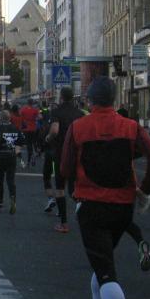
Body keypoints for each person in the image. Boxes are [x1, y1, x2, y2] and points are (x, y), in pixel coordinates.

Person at [60, 76, 150, 299]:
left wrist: (74, 184)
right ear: (115, 99)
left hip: (91, 204)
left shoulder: (79, 127)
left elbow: (65, 167)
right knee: (103, 261)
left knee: (105, 269)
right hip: (122, 206)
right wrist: (145, 189)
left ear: (89, 100)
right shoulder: (130, 126)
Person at [45, 86, 84, 232]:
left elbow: (55, 130)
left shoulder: (56, 112)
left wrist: (48, 138)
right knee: (74, 186)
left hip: (61, 152)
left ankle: (64, 223)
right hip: (77, 153)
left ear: (61, 97)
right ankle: (81, 208)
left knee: (60, 188)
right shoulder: (80, 113)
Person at [0, 110, 23, 214]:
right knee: (11, 179)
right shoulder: (16, 129)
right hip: (11, 156)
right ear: (10, 118)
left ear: (0, 118)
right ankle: (12, 197)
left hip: (1, 156)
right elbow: (20, 142)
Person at [20, 99, 41, 167]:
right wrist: (35, 119)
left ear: (27, 103)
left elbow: (20, 117)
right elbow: (40, 117)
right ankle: (33, 154)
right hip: (33, 128)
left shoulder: (23, 109)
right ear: (32, 103)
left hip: (26, 129)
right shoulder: (35, 110)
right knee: (33, 142)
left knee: (28, 144)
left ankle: (29, 159)